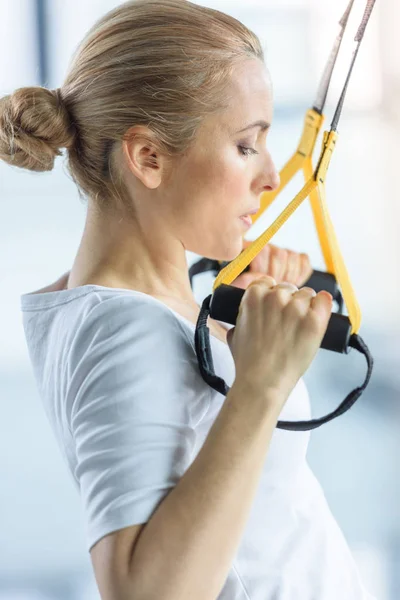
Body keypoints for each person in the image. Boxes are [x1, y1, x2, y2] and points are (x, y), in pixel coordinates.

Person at [1, 1, 375, 598]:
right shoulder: (119, 330)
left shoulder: (135, 309)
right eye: (246, 146)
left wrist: (235, 333)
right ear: (148, 157)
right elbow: (144, 592)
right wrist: (261, 381)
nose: (273, 176)